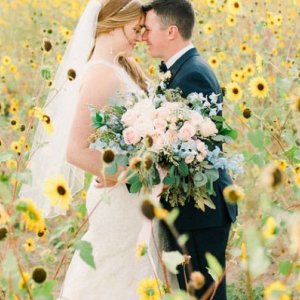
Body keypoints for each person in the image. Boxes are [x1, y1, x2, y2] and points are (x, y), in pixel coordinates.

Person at [20, 0, 162, 299]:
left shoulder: (120, 66)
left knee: (132, 277)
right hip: (121, 198)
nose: (140, 36)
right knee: (109, 277)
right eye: (135, 29)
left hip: (133, 197)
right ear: (113, 22)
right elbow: (75, 149)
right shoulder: (102, 73)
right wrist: (128, 173)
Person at [142, 0, 238, 299]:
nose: (143, 36)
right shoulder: (181, 69)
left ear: (171, 31)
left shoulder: (192, 74)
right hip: (192, 210)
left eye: (148, 30)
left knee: (204, 295)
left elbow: (198, 149)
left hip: (200, 211)